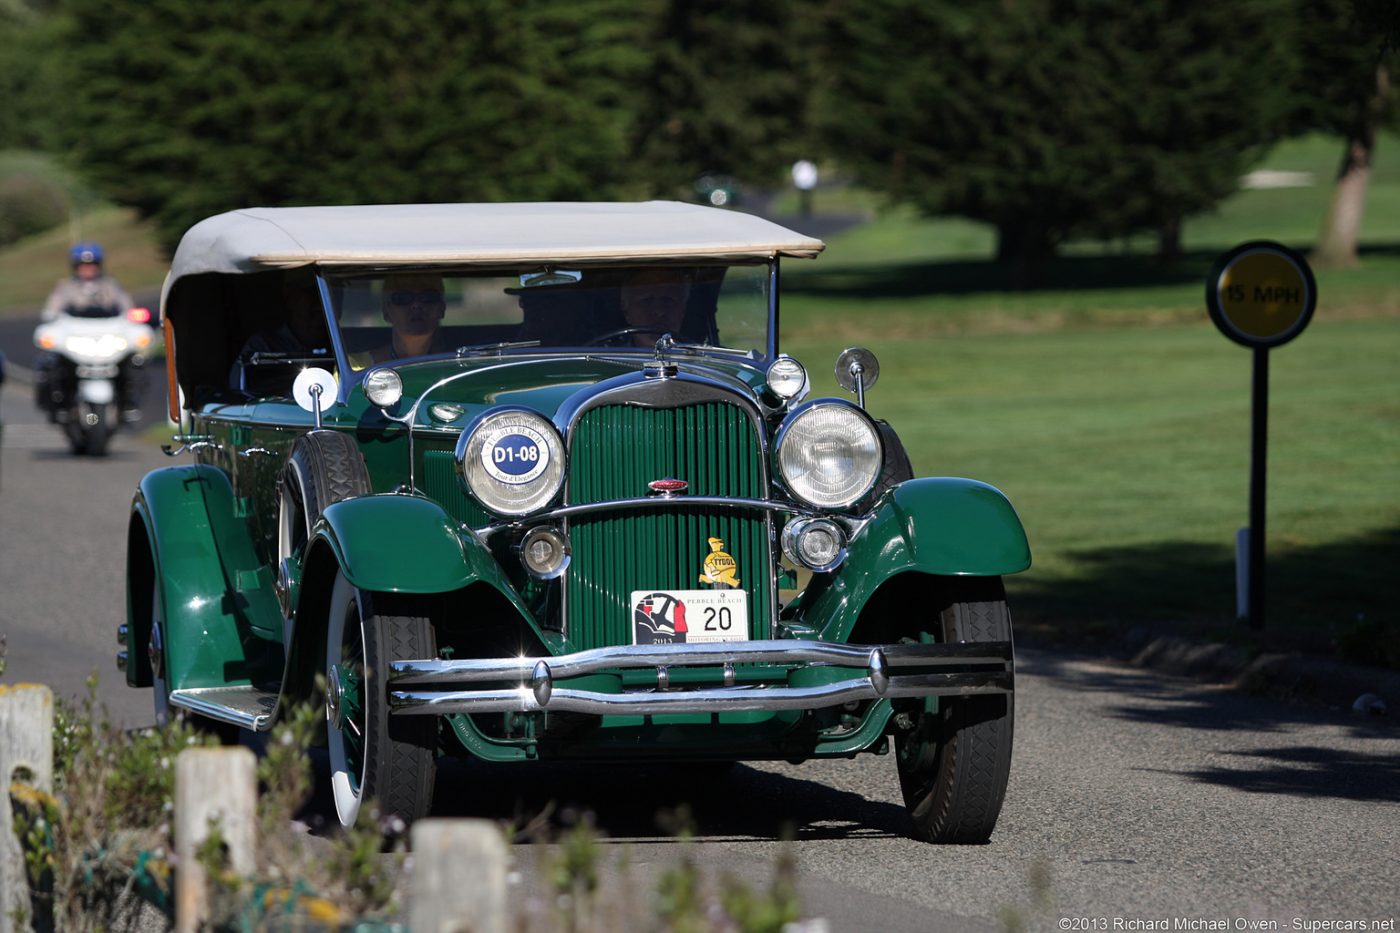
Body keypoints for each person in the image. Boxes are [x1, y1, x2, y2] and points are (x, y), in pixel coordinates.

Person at [229, 277, 332, 394]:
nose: (322, 306)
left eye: (332, 295)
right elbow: (241, 395)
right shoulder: (262, 348)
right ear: (291, 298)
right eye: (314, 294)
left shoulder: (344, 348)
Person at [368, 272, 449, 363]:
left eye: (428, 296)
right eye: (402, 297)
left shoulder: (458, 365)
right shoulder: (361, 366)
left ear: (442, 309)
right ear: (386, 311)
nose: (416, 305)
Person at [41, 242, 133, 321]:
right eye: (83, 265)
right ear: (76, 267)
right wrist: (51, 314)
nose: (88, 268)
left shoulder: (111, 285)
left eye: (92, 264)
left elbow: (128, 307)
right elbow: (52, 310)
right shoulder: (65, 286)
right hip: (74, 329)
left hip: (110, 328)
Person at [616, 268, 691, 347]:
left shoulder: (699, 352)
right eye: (647, 301)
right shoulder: (609, 352)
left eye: (668, 300)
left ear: (683, 309)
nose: (659, 312)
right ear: (626, 311)